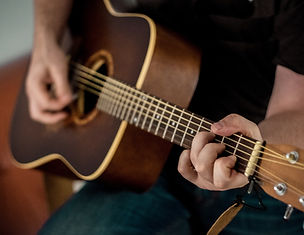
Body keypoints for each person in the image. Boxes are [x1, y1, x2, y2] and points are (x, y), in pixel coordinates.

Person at [26, 0, 304, 234]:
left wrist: (257, 148)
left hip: (253, 182)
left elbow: (295, 106)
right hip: (135, 160)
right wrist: (46, 40)